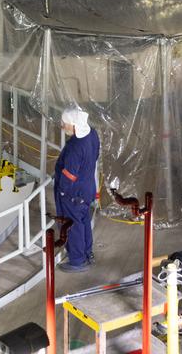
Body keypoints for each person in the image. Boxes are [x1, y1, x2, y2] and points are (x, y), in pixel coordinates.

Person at [54, 106, 100, 271]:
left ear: (74, 125)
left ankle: (77, 261)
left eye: (64, 123)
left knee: (72, 225)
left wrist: (62, 190)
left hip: (73, 192)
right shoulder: (92, 134)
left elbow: (69, 174)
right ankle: (87, 253)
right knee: (84, 221)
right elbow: (94, 156)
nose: (62, 126)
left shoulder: (75, 146)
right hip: (87, 188)